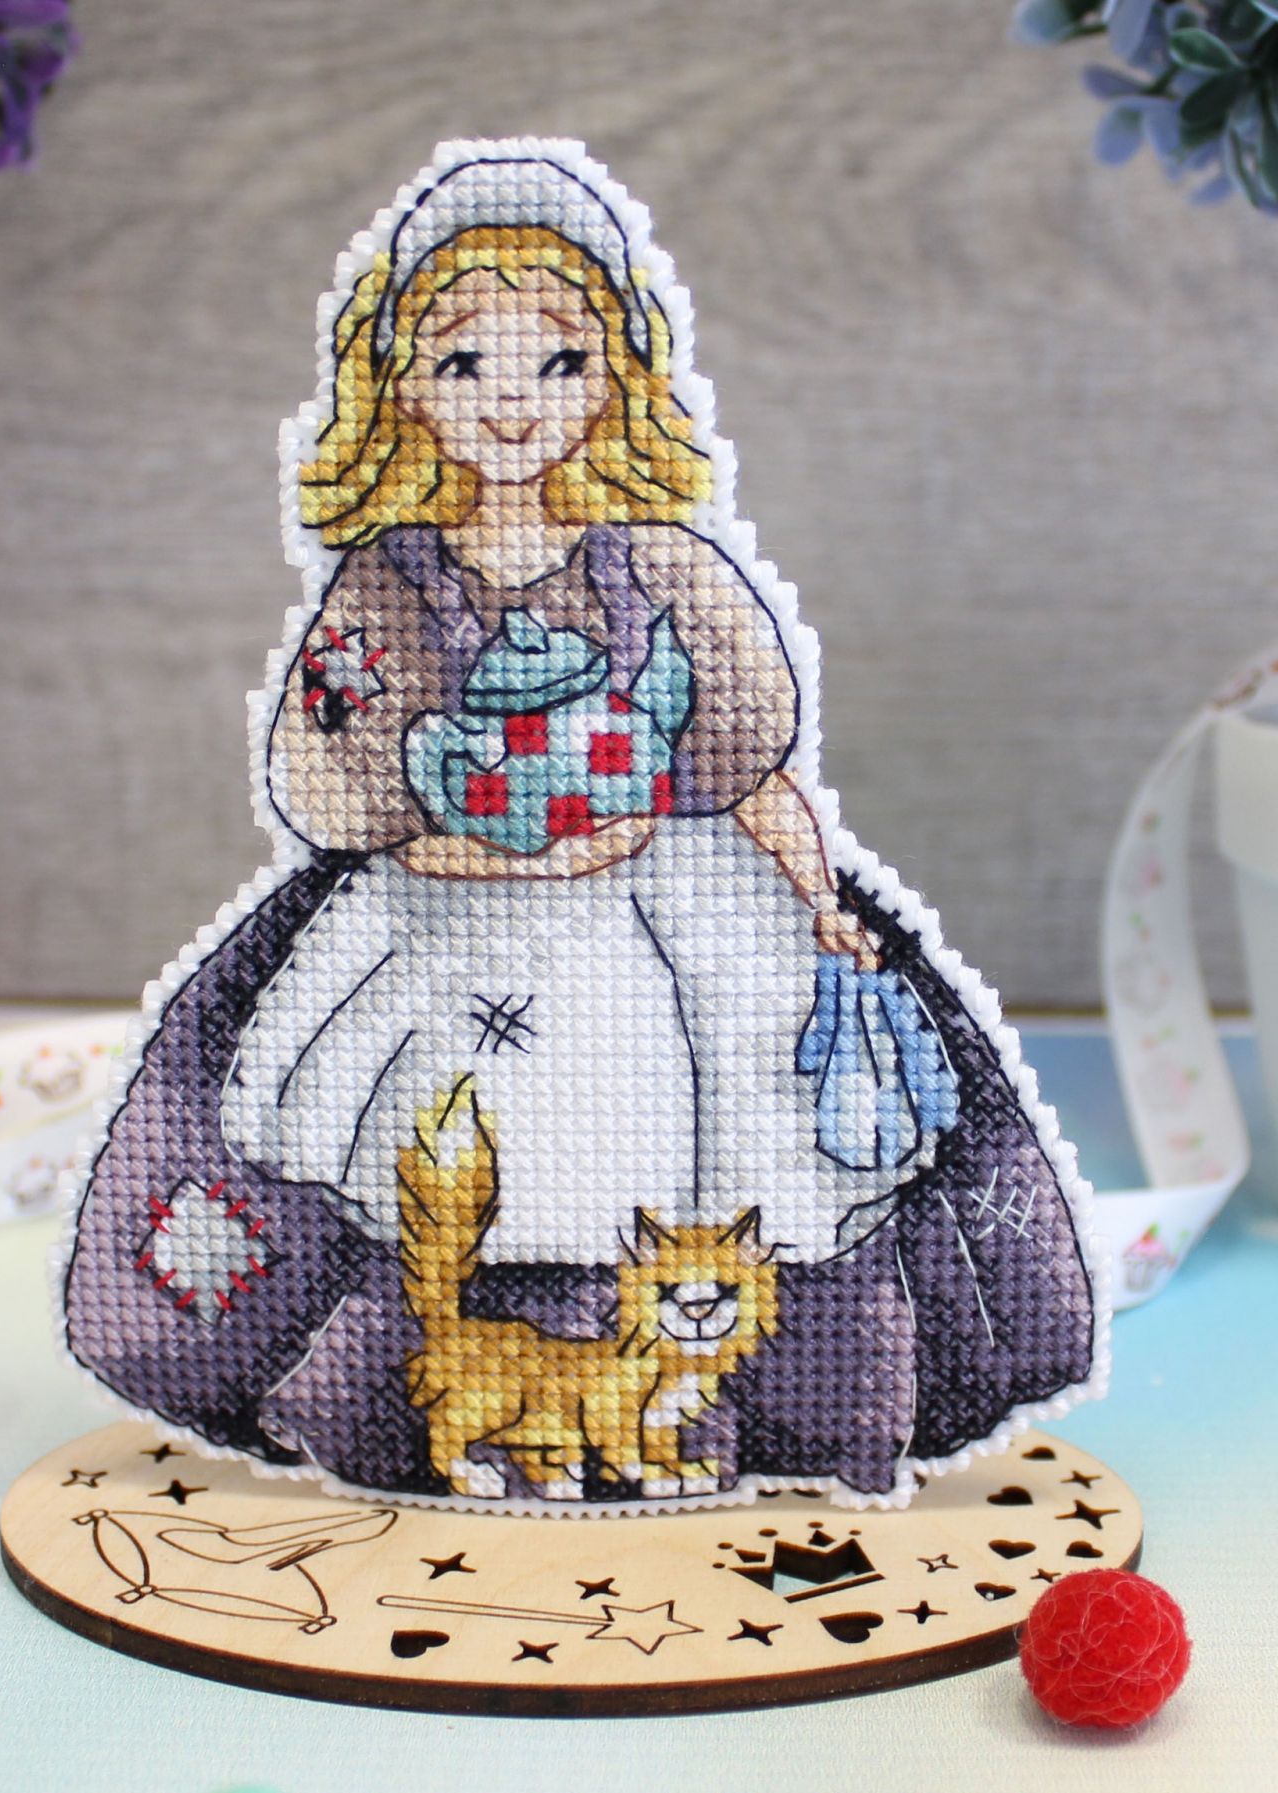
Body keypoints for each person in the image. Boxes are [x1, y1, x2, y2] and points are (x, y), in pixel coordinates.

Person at [62, 143, 1099, 1507]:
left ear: (616, 379)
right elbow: (333, 778)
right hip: (441, 922)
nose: (512, 404)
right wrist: (459, 843)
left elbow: (745, 760)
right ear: (401, 387)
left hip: (671, 908)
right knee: (425, 1121)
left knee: (725, 1120)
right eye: (464, 365)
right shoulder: (389, 583)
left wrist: (816, 898)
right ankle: (444, 1400)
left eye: (557, 363)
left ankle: (713, 1411)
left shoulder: (662, 564)